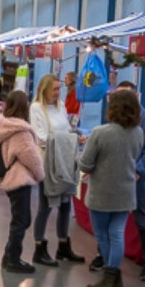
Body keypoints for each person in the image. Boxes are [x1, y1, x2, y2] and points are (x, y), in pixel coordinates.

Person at [78, 89, 144, 287]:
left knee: (102, 235)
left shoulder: (100, 133)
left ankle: (109, 277)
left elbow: (85, 164)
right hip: (125, 191)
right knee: (117, 234)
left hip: (101, 192)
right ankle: (113, 275)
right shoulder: (138, 133)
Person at [30, 74, 85, 267]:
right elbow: (42, 138)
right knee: (45, 205)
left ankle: (63, 245)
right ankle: (39, 247)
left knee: (65, 204)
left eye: (59, 88)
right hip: (48, 162)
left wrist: (75, 136)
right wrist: (69, 139)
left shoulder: (60, 105)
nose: (57, 92)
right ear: (44, 90)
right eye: (54, 89)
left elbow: (66, 130)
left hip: (65, 160)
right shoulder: (36, 108)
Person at [0, 91, 46, 273]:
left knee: (20, 219)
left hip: (10, 177)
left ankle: (9, 255)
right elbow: (31, 157)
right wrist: (40, 175)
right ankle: (13, 259)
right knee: (21, 221)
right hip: (20, 179)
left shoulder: (2, 125)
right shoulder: (21, 131)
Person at [114, 81, 145, 281]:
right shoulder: (115, 118)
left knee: (141, 219)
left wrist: (137, 172)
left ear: (135, 96)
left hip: (137, 177)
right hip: (115, 176)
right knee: (112, 218)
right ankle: (104, 256)